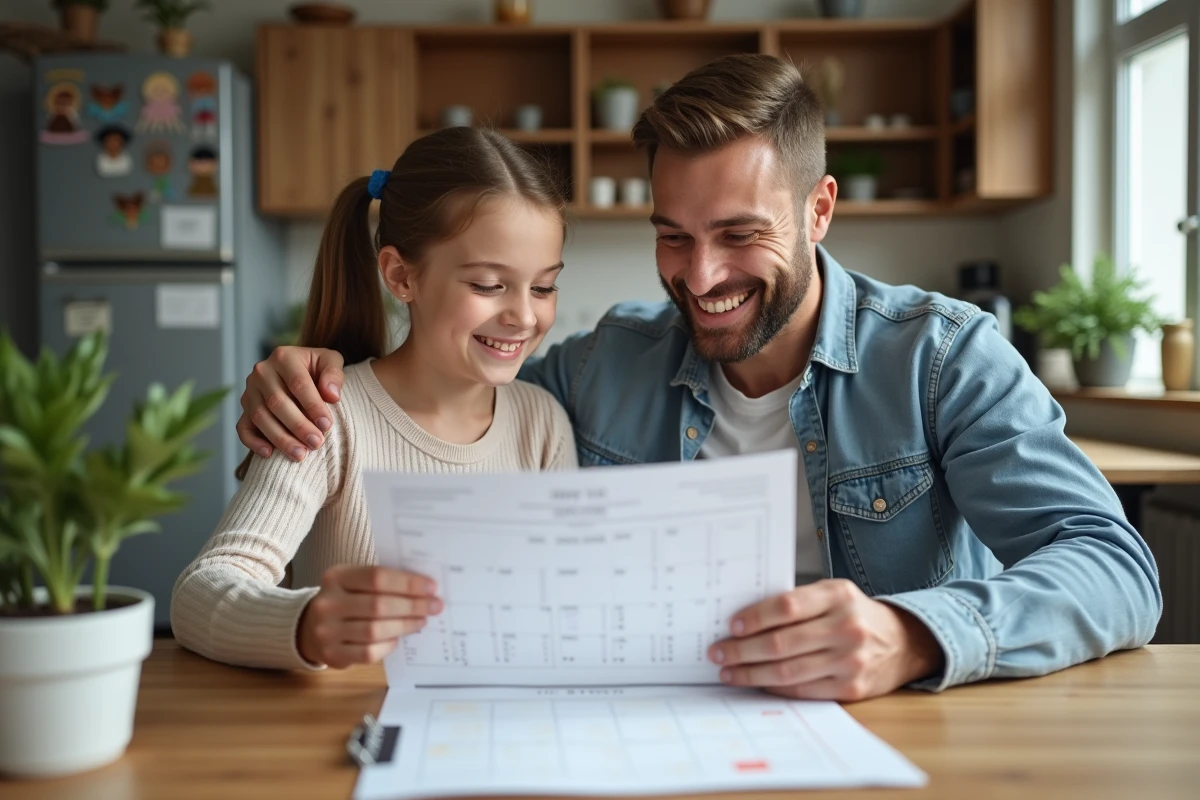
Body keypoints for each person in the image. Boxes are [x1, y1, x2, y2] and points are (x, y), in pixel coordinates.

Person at [236, 54, 1161, 699]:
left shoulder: (941, 359)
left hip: (898, 731)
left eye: (739, 234)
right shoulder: (601, 367)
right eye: (673, 236)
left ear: (819, 210)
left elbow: (1115, 569)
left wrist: (913, 637)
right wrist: (308, 376)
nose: (702, 276)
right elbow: (450, 393)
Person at [172, 128, 577, 671]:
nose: (525, 316)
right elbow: (198, 595)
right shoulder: (328, 417)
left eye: (544, 287)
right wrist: (304, 626)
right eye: (487, 285)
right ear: (401, 276)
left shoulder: (543, 424)